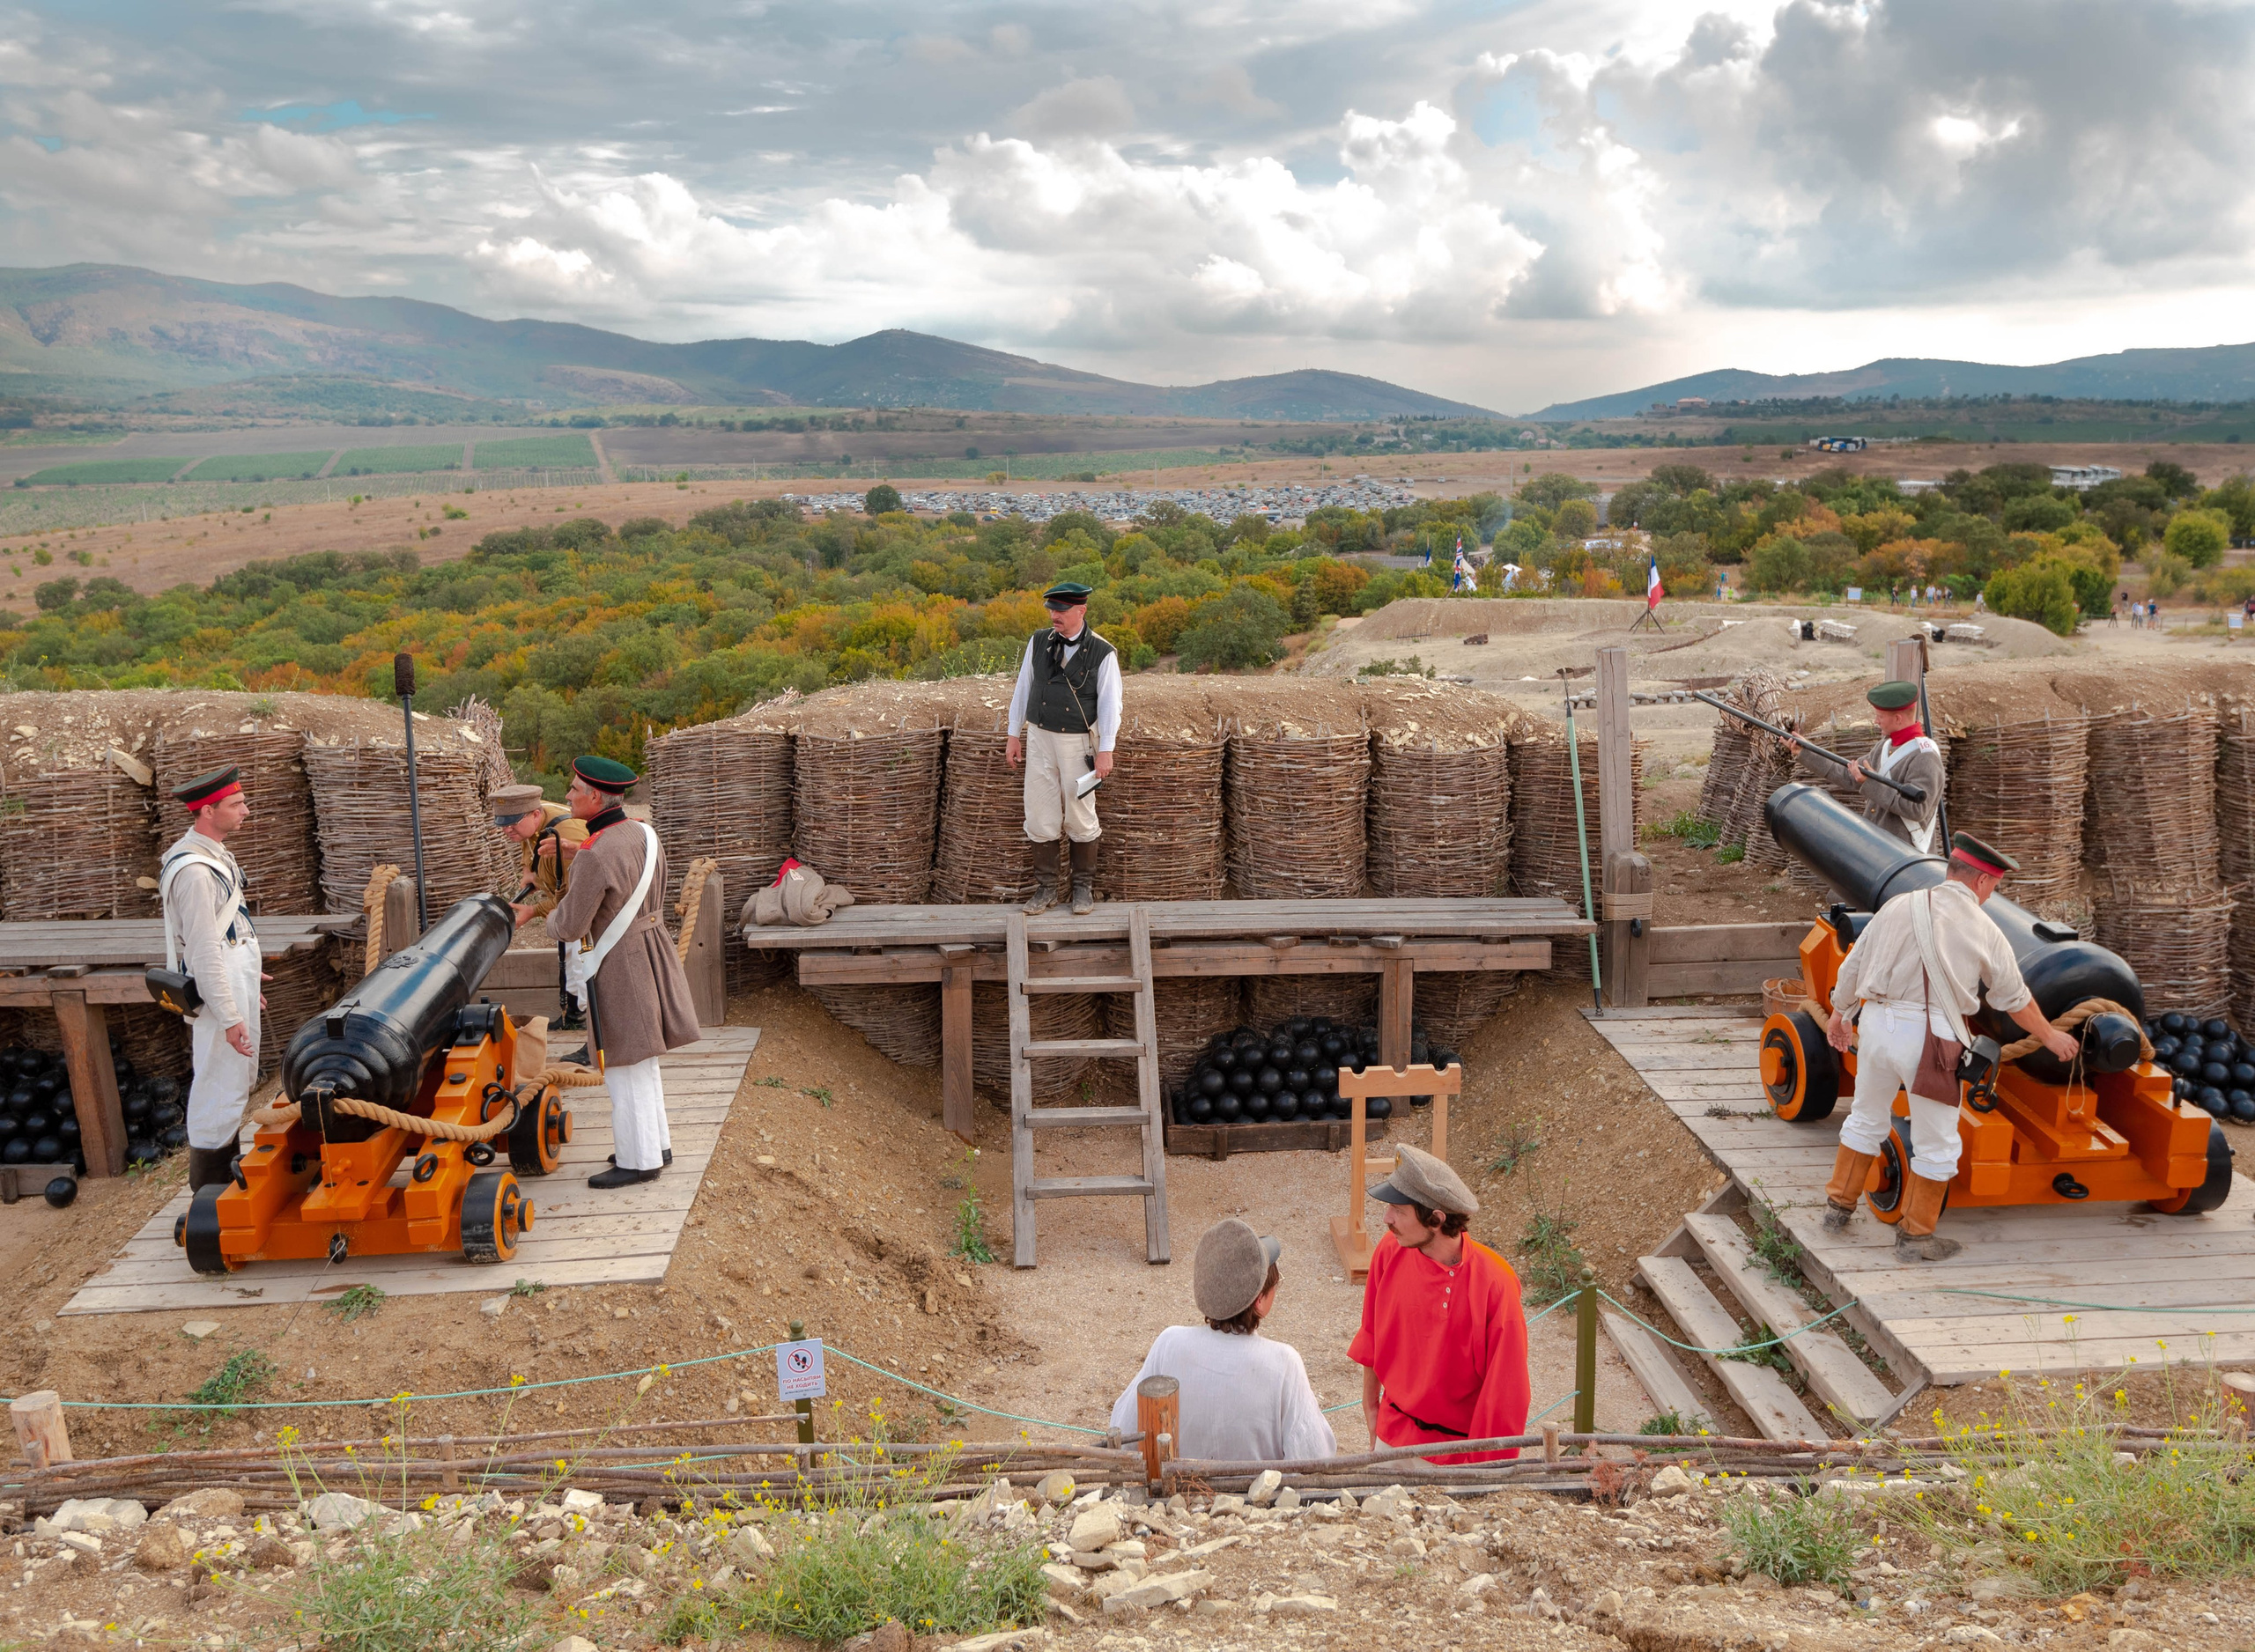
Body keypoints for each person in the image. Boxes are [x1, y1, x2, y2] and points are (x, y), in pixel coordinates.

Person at [1820, 833, 2080, 1261]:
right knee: (1938, 1142)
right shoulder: (1985, 929)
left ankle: (1837, 1210)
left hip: (1878, 1024)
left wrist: (1839, 1013)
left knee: (1866, 1117)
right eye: (1993, 886)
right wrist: (2050, 1035)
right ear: (1981, 882)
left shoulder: (1898, 905)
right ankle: (1916, 1237)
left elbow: (1853, 964)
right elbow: (2014, 998)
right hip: (1931, 1037)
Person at [546, 756, 700, 1190]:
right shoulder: (643, 834)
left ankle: (640, 1160)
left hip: (620, 964)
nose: (569, 796)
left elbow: (572, 925)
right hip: (651, 949)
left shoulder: (595, 853)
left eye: (575, 790)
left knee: (624, 1062)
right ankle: (656, 1144)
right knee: (643, 1059)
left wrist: (547, 919)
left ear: (595, 797)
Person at [1348, 1144, 1529, 1464]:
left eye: (1399, 1211)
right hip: (1390, 1437)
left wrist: (1481, 1475)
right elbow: (1372, 1335)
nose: (1386, 1219)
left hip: (1456, 1457)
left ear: (1436, 1219)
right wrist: (1371, 1407)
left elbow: (1505, 1394)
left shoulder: (1496, 1284)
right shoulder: (1390, 1251)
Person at [1107, 1219, 1336, 1463]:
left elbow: (1124, 1431)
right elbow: (1316, 1455)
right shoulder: (1284, 1362)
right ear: (1260, 1300)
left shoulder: (1170, 1343)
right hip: (1257, 1498)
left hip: (1177, 1495)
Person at [158, 765, 269, 1191]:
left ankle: (223, 1173)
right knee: (219, 1080)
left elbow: (226, 931)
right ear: (208, 811)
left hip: (231, 976)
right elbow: (203, 951)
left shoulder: (215, 856)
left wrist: (249, 974)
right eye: (236, 804)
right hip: (217, 983)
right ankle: (210, 1189)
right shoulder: (195, 871)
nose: (246, 810)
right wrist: (228, 1015)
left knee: (234, 1077)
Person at [1005, 579, 1121, 917]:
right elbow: (1023, 686)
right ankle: (1046, 890)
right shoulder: (1038, 641)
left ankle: (1082, 890)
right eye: (1052, 609)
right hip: (1040, 739)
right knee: (1039, 813)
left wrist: (1106, 750)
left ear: (1081, 610)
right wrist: (1014, 733)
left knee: (1081, 815)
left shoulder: (1103, 652)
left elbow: (1111, 705)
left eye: (1062, 610)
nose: (1055, 615)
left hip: (1078, 744)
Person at [1785, 680, 1944, 853]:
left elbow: (1916, 809)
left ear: (1897, 718)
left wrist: (1871, 783)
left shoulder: (1925, 757)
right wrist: (1806, 751)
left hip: (1905, 856)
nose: (1876, 721)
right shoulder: (1885, 746)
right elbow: (1848, 775)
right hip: (1879, 848)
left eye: (1880, 716)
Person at [493, 782, 587, 927]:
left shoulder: (563, 842)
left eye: (512, 824)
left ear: (536, 815)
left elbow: (577, 897)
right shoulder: (530, 812)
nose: (507, 830)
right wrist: (528, 869)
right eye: (503, 825)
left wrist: (534, 910)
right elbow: (526, 838)